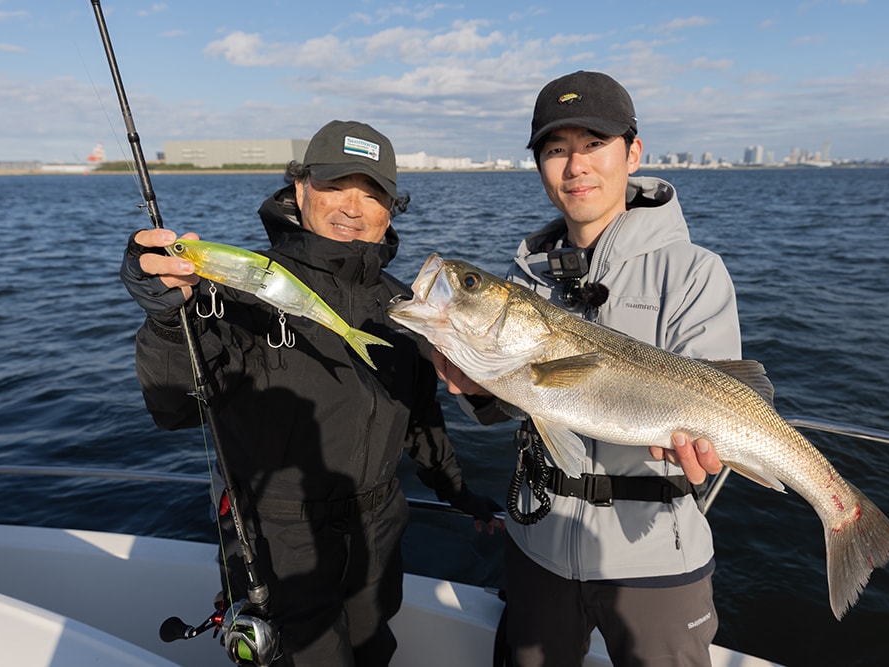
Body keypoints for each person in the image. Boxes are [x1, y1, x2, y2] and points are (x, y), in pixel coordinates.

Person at [120, 120, 502, 667]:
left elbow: (420, 415)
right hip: (276, 540)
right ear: (299, 191)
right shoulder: (239, 288)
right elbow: (173, 406)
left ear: (391, 208)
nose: (353, 206)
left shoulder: (406, 310)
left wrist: (458, 492)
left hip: (378, 534)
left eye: (373, 193)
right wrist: (164, 319)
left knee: (373, 653)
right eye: (334, 186)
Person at [433, 71, 739, 666]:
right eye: (554, 149)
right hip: (536, 546)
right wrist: (470, 381)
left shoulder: (694, 271)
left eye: (593, 143)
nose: (575, 166)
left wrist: (702, 445)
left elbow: (717, 389)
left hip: (656, 559)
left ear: (633, 152)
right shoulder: (527, 280)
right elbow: (509, 402)